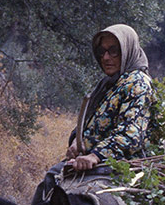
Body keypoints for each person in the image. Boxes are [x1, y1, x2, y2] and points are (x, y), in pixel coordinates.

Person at [65, 24, 153, 172]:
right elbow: (91, 123)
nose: (106, 57)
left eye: (113, 51)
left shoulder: (138, 83)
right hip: (90, 160)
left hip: (120, 165)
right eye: (102, 51)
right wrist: (76, 142)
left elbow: (132, 134)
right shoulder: (109, 84)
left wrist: (96, 156)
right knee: (52, 178)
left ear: (127, 50)